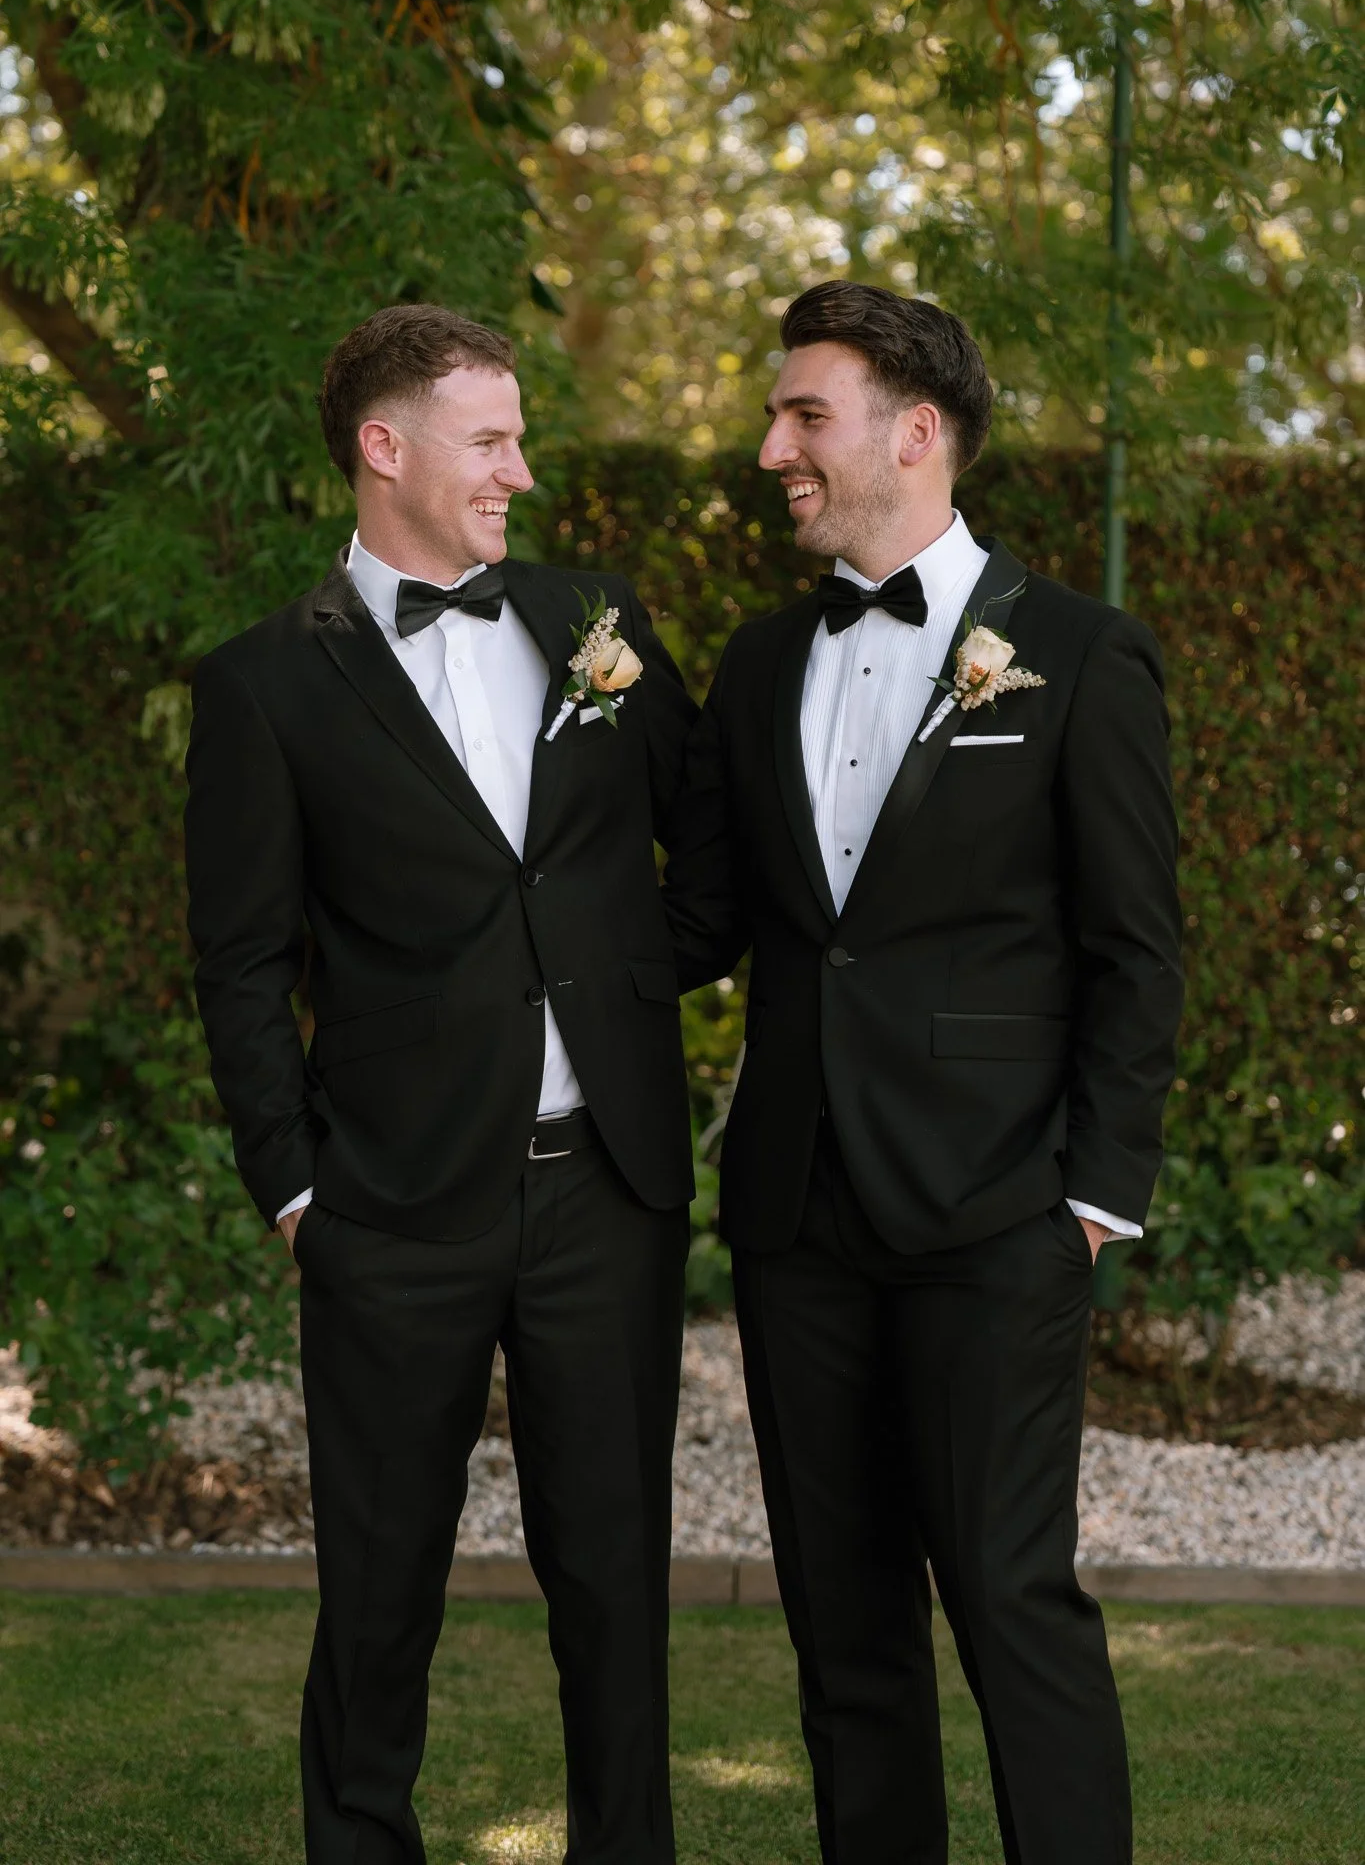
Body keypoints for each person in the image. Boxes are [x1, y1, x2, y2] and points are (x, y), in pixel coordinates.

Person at [663, 280, 1183, 1865]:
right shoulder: (758, 664)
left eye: (802, 415)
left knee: (1013, 1604)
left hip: (996, 1216)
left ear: (919, 431)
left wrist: (1090, 1202)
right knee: (845, 1632)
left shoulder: (1081, 660)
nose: (772, 451)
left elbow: (1139, 951)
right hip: (798, 1217)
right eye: (776, 418)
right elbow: (709, 922)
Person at [184, 303, 697, 1865]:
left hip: (603, 1190)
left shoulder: (593, 619)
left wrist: (628, 989)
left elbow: (716, 832)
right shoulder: (266, 685)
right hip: (390, 1213)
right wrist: (297, 1190)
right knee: (381, 1583)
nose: (521, 474)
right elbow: (239, 961)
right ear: (382, 450)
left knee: (614, 1582)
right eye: (492, 441)